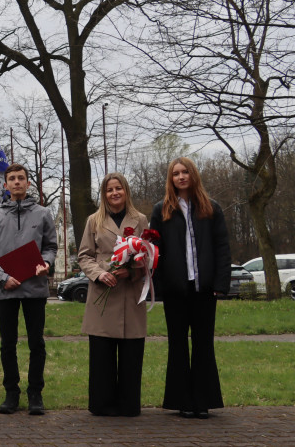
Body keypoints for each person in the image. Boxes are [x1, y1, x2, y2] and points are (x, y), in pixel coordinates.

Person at [149, 157, 230, 419]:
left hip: (204, 287)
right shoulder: (162, 210)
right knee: (178, 344)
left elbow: (221, 248)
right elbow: (155, 251)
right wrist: (159, 286)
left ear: (193, 175)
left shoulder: (212, 208)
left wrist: (220, 284)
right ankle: (181, 400)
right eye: (176, 173)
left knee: (204, 344)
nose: (181, 177)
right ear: (170, 179)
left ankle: (203, 400)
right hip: (175, 289)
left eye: (185, 172)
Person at [0, 163, 58, 415]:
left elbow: (51, 246)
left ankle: (35, 393)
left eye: (21, 178)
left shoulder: (43, 214)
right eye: (12, 179)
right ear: (5, 185)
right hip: (6, 290)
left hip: (35, 289)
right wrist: (1, 277)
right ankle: (11, 393)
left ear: (28, 183)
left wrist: (47, 263)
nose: (16, 182)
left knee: (36, 343)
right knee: (8, 344)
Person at [77, 173, 148, 417]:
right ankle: (102, 403)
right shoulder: (93, 221)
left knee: (131, 354)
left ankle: (128, 404)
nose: (114, 193)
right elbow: (84, 256)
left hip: (130, 294)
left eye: (119, 188)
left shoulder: (140, 220)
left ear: (126, 191)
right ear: (104, 195)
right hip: (102, 294)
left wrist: (134, 271)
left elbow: (148, 255)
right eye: (109, 190)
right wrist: (99, 274)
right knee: (102, 355)